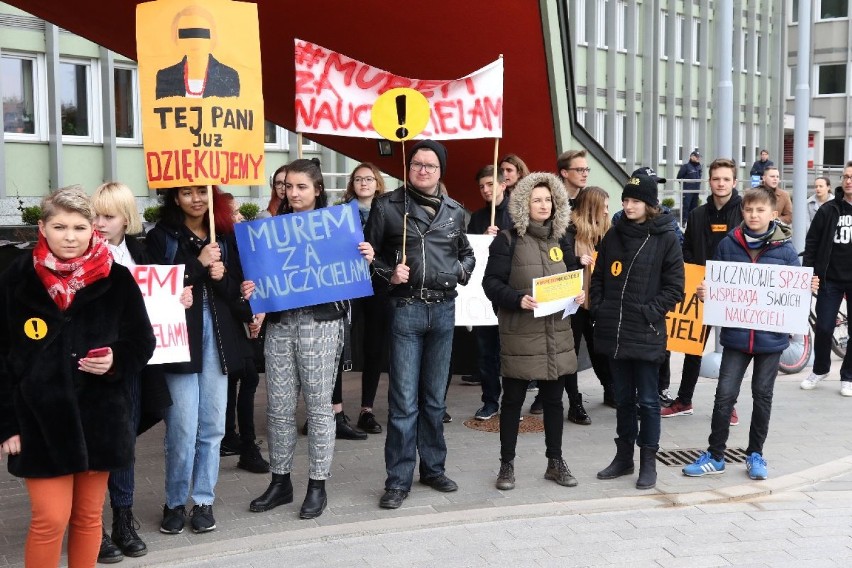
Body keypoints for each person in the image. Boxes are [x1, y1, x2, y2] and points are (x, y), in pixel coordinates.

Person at [0, 185, 155, 568]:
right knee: (49, 519)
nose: (70, 237)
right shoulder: (15, 279)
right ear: (42, 228)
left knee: (88, 518)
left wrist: (116, 359)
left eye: (79, 227)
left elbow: (142, 342)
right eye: (60, 227)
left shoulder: (117, 279)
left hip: (99, 418)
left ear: (92, 230)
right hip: (38, 421)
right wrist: (6, 425)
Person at [248, 158, 374, 519]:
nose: (293, 193)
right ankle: (280, 481)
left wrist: (365, 257)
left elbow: (353, 273)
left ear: (318, 189)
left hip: (321, 324)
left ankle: (317, 485)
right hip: (281, 323)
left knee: (319, 408)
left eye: (302, 186)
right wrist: (251, 289)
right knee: (278, 407)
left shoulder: (337, 226)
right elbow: (258, 277)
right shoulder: (270, 227)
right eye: (288, 186)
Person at [365, 139, 475, 510]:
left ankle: (433, 468)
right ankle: (397, 479)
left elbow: (468, 254)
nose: (423, 170)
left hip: (443, 310)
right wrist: (388, 273)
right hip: (405, 309)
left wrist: (459, 271)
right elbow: (368, 256)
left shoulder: (455, 211)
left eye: (430, 165)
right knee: (403, 402)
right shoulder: (388, 206)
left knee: (433, 399)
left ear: (441, 171)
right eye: (417, 164)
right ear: (407, 167)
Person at [683, 187, 818, 480]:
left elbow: (794, 291)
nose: (754, 215)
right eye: (749, 210)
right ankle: (715, 455)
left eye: (760, 210)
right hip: (736, 336)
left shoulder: (785, 250)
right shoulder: (729, 244)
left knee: (763, 396)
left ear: (773, 214)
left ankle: (755, 454)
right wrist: (706, 291)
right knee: (724, 396)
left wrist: (807, 288)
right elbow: (715, 284)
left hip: (770, 341)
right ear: (742, 212)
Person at [91, 182, 187, 562]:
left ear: (126, 219)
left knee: (124, 445)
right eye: (94, 215)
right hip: (93, 366)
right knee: (96, 447)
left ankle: (123, 520)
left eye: (108, 216)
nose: (99, 223)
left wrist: (180, 296)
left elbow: (163, 293)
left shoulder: (141, 251)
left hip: (132, 365)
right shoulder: (80, 255)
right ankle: (91, 526)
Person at [146, 184, 247, 535]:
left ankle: (203, 499)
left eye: (201, 192)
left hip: (218, 339)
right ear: (175, 198)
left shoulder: (226, 237)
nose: (196, 199)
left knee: (213, 427)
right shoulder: (161, 237)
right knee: (182, 427)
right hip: (179, 342)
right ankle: (174, 501)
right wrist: (198, 265)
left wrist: (223, 279)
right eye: (187, 193)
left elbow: (239, 295)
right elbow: (155, 290)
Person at [482, 172, 583, 490]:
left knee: (554, 401)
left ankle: (555, 462)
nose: (543, 204)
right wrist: (517, 299)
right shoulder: (508, 240)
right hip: (521, 333)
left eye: (548, 199)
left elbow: (570, 274)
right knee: (512, 401)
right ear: (525, 203)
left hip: (557, 333)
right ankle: (506, 466)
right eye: (537, 199)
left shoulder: (562, 237)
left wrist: (578, 294)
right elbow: (491, 284)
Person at [592, 172, 684, 490]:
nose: (629, 206)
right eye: (626, 201)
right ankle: (623, 458)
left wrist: (649, 313)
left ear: (649, 204)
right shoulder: (614, 235)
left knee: (647, 401)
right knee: (623, 399)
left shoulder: (666, 237)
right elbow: (600, 277)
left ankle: (648, 463)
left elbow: (675, 287)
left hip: (645, 332)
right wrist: (601, 306)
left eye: (635, 201)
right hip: (615, 332)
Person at [662, 158, 743, 427]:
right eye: (716, 179)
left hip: (735, 290)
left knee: (734, 349)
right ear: (710, 181)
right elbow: (687, 251)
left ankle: (728, 405)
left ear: (734, 182)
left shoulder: (744, 212)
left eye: (726, 179)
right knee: (692, 347)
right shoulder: (697, 215)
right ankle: (684, 400)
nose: (721, 183)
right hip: (700, 290)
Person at [331, 162, 389, 438]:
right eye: (358, 179)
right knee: (340, 346)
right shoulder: (340, 213)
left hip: (378, 284)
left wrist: (375, 256)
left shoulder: (389, 210)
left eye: (369, 178)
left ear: (377, 183)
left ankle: (367, 408)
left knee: (375, 346)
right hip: (347, 285)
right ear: (351, 184)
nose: (364, 183)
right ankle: (334, 409)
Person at [561, 186, 615, 415]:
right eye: (603, 207)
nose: (606, 212)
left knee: (600, 350)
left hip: (596, 302)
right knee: (570, 354)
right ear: (592, 207)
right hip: (573, 303)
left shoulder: (606, 233)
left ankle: (611, 391)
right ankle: (574, 401)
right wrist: (576, 260)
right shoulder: (568, 230)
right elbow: (557, 263)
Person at [802, 162, 852, 396]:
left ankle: (848, 376)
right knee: (823, 326)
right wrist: (808, 273)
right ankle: (820, 369)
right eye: (846, 176)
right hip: (829, 278)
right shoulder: (829, 209)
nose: (848, 180)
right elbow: (811, 242)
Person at [467, 165, 513, 421]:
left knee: (510, 350)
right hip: (484, 292)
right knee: (486, 350)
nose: (485, 190)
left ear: (503, 184)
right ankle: (489, 401)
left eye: (490, 185)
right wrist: (482, 238)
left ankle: (511, 401)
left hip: (510, 290)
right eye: (482, 186)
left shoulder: (518, 214)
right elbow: (468, 251)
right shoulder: (476, 218)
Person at [155, 6, 240, 99]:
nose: (194, 40)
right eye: (186, 34)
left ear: (213, 37)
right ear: (176, 38)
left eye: (202, 33)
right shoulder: (165, 77)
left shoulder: (228, 76)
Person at [677, 149, 703, 224]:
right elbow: (679, 178)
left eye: (699, 157)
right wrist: (686, 185)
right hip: (687, 191)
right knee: (686, 206)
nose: (698, 158)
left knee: (694, 207)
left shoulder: (699, 167)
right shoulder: (686, 166)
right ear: (691, 157)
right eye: (696, 157)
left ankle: (692, 222)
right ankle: (684, 222)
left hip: (696, 190)